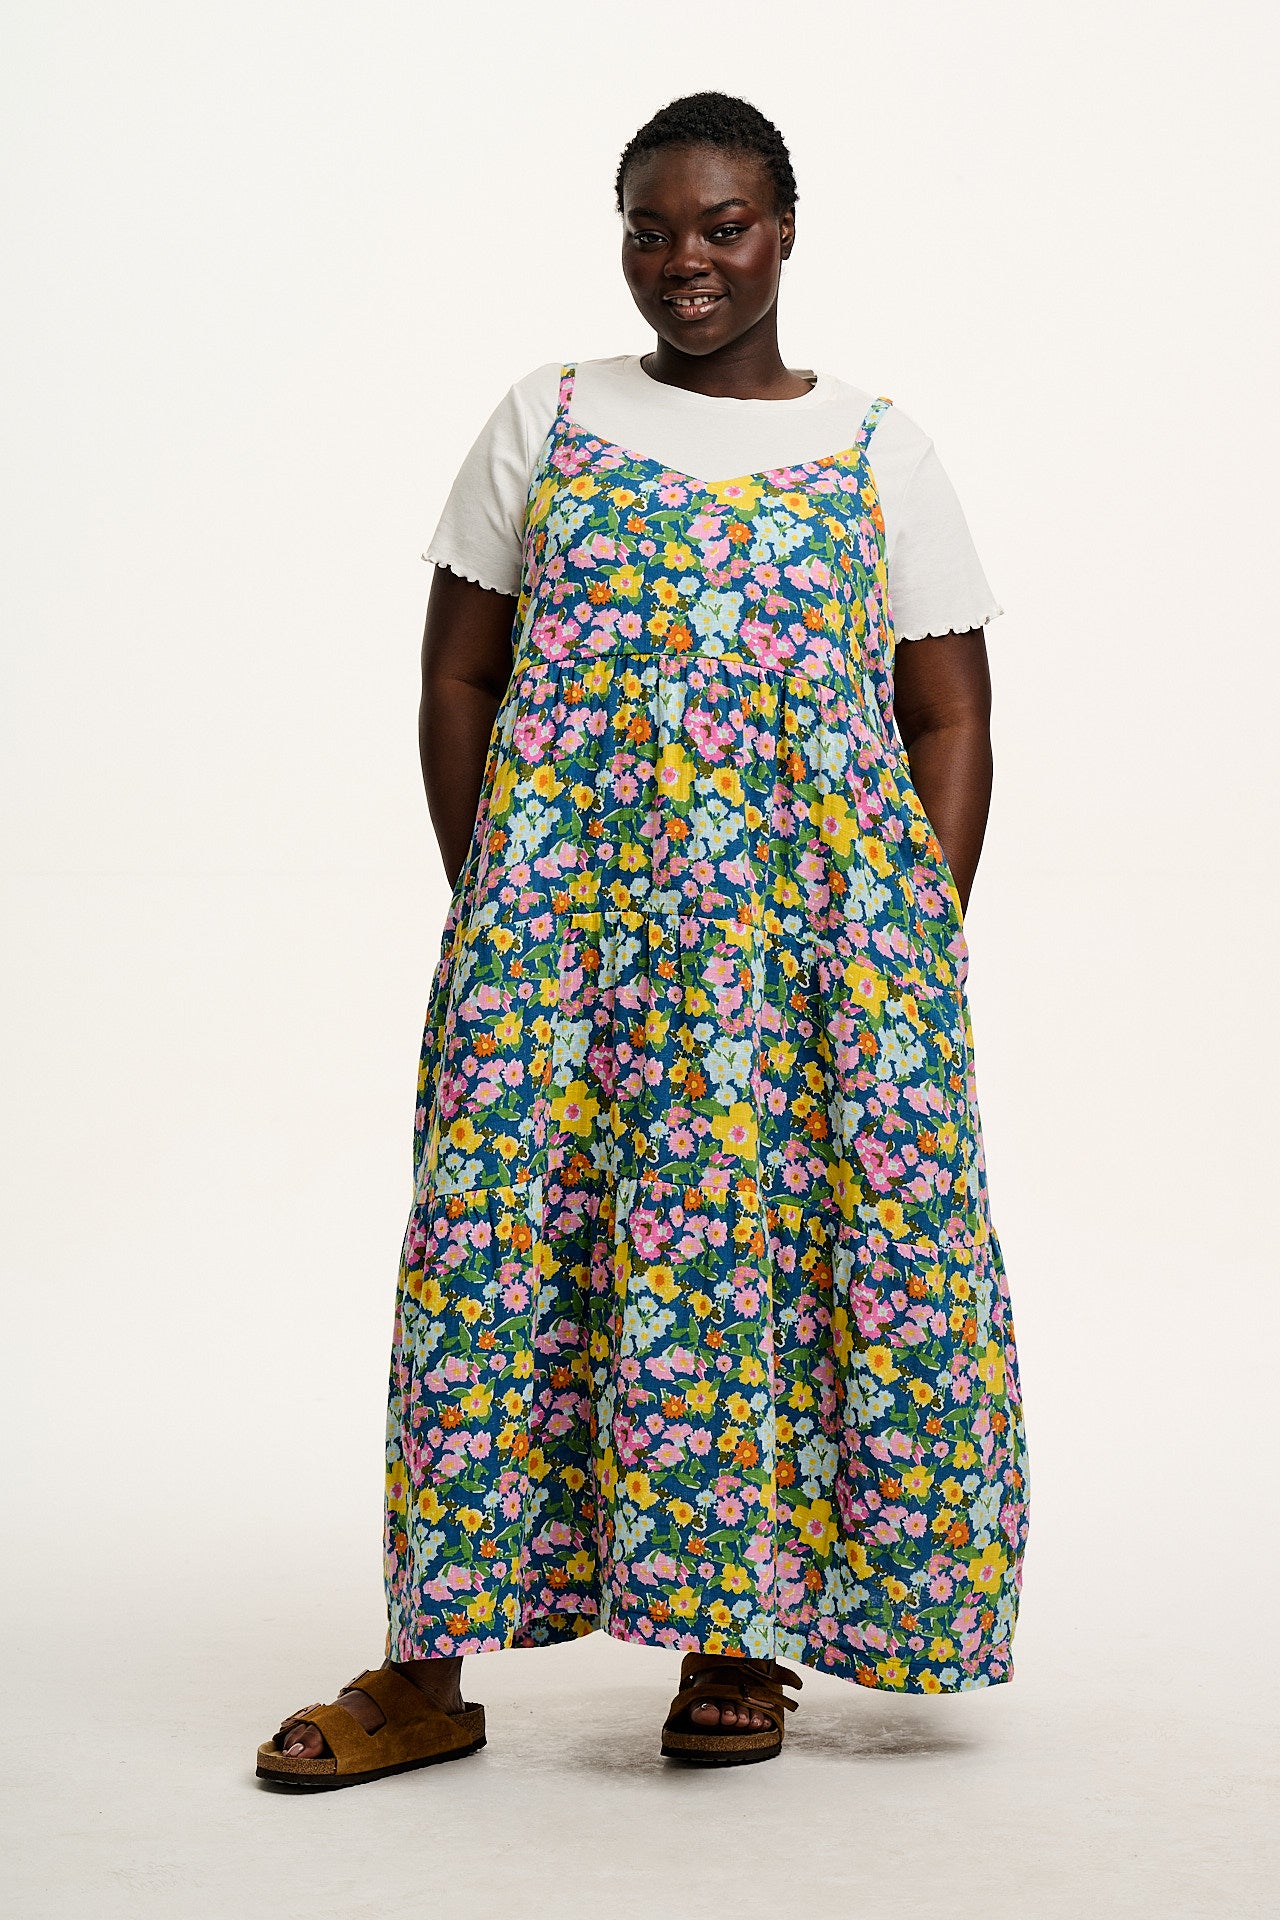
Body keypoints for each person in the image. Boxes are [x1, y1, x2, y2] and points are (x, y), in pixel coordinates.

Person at [257, 89, 1029, 1790]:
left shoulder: (880, 446)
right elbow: (459, 673)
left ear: (785, 234)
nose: (687, 260)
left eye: (723, 226)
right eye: (652, 228)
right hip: (561, 954)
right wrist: (503, 895)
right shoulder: (546, 418)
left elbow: (950, 711)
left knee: (762, 1267)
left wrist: (913, 939)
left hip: (809, 966)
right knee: (492, 1267)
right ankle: (424, 1671)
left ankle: (734, 1645)